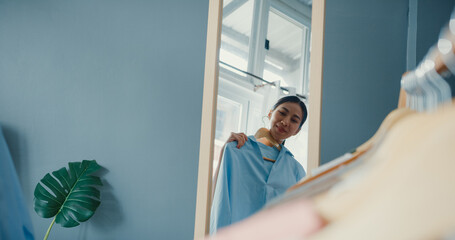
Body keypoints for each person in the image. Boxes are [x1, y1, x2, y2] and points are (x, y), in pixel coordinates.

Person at [210, 95, 308, 234]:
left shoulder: (297, 171)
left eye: (294, 120)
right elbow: (219, 201)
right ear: (270, 113)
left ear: (297, 130)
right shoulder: (237, 149)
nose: (285, 122)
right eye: (282, 113)